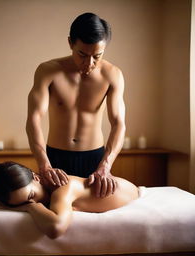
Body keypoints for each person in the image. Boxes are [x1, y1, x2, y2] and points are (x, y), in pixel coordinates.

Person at [26, 12, 126, 198]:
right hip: (54, 159)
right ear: (71, 43)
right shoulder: (48, 71)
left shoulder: (113, 75)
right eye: (82, 54)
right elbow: (34, 119)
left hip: (95, 160)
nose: (89, 63)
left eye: (97, 56)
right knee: (51, 209)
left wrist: (106, 165)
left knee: (94, 218)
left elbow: (119, 123)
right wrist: (44, 164)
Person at [0, 162, 139, 239]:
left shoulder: (63, 189)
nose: (31, 201)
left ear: (36, 178)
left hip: (127, 191)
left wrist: (30, 207)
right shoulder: (35, 190)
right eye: (21, 203)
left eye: (31, 196)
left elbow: (55, 228)